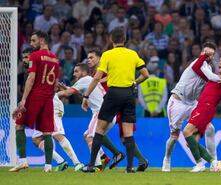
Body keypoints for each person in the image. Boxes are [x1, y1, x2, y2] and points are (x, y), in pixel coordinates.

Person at [81, 27, 149, 173]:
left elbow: (97, 77)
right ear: (124, 39)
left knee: (99, 129)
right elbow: (146, 74)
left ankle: (92, 165)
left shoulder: (107, 55)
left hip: (113, 94)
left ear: (112, 40)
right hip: (129, 95)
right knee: (128, 133)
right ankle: (130, 168)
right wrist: (135, 83)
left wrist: (86, 96)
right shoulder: (133, 54)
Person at [162, 42, 221, 172]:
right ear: (202, 52)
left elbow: (210, 80)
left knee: (209, 128)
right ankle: (167, 159)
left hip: (192, 103)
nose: (208, 55)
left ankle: (214, 163)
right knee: (174, 136)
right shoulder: (198, 63)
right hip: (177, 102)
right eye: (206, 52)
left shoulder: (208, 68)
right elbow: (211, 78)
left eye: (211, 54)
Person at [19, 48, 84, 172]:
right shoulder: (32, 71)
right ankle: (61, 161)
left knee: (57, 135)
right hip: (42, 106)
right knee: (36, 139)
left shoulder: (38, 68)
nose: (25, 60)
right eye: (23, 57)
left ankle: (77, 163)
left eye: (27, 57)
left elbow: (51, 85)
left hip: (51, 104)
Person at [57, 63, 125, 171]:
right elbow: (81, 91)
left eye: (76, 71)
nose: (74, 74)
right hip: (109, 113)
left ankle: (96, 165)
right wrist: (68, 88)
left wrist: (53, 96)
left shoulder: (85, 80)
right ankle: (102, 157)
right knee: (87, 135)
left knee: (90, 137)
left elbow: (67, 94)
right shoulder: (89, 80)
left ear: (83, 72)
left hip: (100, 113)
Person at [183, 55, 221, 172]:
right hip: (199, 107)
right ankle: (214, 163)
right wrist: (204, 55)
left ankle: (201, 165)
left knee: (186, 132)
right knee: (191, 142)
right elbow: (196, 67)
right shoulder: (213, 77)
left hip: (206, 108)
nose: (220, 62)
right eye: (220, 60)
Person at [10, 31, 60, 172]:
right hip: (48, 98)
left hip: (34, 96)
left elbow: (31, 78)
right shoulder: (55, 59)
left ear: (42, 40)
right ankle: (48, 166)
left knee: (19, 125)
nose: (31, 44)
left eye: (33, 41)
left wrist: (23, 99)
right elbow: (55, 83)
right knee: (47, 132)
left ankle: (23, 161)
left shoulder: (35, 56)